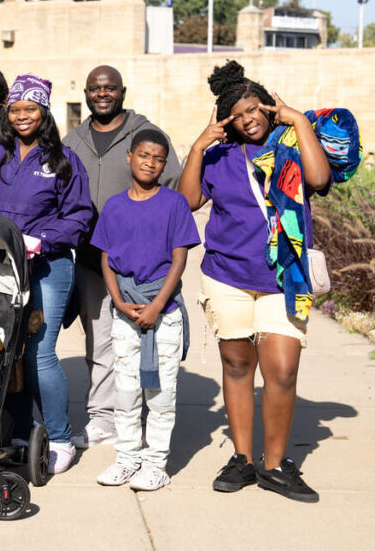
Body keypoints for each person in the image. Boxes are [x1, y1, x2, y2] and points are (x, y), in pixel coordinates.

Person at [178, 60, 331, 503]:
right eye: (238, 114)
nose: (248, 119)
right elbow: (188, 200)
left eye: (254, 109)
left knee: (281, 369)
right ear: (228, 119)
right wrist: (198, 145)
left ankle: (276, 465)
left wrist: (298, 119)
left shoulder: (291, 144)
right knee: (238, 366)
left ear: (267, 107)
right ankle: (243, 458)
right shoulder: (219, 155)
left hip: (285, 276)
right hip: (227, 275)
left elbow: (319, 179)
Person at [0, 73, 92, 475]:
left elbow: (80, 216)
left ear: (44, 113)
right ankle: (21, 430)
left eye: (30, 109)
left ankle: (60, 436)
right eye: (16, 109)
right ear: (8, 111)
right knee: (5, 348)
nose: (22, 116)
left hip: (46, 266)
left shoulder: (63, 160)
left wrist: (43, 240)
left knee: (39, 352)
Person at [62, 64, 182, 450]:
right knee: (101, 342)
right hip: (89, 258)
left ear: (122, 92)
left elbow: (176, 189)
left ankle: (137, 416)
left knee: (146, 342)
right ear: (85, 92)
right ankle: (104, 417)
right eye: (95, 88)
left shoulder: (145, 133)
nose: (102, 94)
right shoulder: (72, 141)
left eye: (110, 88)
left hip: (143, 265)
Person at [92, 130, 200, 492]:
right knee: (125, 392)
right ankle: (127, 458)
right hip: (125, 309)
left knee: (160, 394)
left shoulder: (174, 204)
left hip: (162, 310)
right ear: (129, 156)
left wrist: (157, 305)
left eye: (158, 158)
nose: (150, 163)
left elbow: (179, 259)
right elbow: (105, 259)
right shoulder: (114, 206)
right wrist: (119, 302)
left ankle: (155, 463)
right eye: (144, 155)